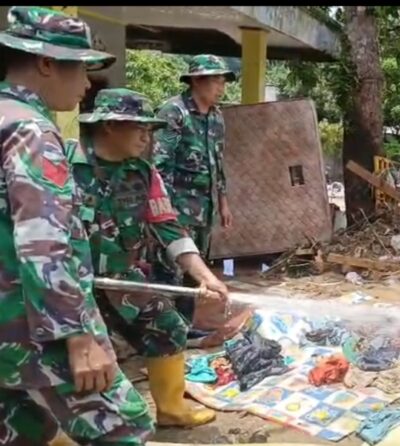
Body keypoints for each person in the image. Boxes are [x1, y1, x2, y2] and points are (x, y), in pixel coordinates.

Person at [0, 6, 155, 445]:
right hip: (32, 326)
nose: (88, 84)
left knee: (21, 431)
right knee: (124, 427)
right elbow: (42, 242)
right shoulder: (31, 129)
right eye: (82, 70)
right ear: (46, 63)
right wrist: (77, 336)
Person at [70, 88, 231, 428]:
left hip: (123, 278)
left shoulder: (144, 173)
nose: (147, 136)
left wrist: (205, 276)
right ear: (111, 126)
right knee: (81, 358)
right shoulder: (66, 165)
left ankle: (172, 409)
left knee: (168, 326)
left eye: (150, 129)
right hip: (69, 286)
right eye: (139, 127)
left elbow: (168, 227)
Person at [152, 54, 235, 323]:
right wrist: (167, 214)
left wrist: (223, 202)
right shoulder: (173, 113)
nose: (221, 88)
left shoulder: (216, 117)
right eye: (216, 82)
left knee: (195, 272)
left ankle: (184, 327)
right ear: (197, 81)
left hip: (204, 207)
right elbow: (159, 167)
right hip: (176, 209)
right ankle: (166, 329)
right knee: (170, 270)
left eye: (224, 82)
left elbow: (218, 162)